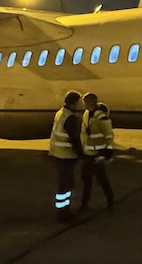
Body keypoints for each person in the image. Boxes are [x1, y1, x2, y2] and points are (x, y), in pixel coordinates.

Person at [47, 90, 86, 222]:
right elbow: (74, 139)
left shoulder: (60, 113)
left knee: (64, 184)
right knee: (66, 185)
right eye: (79, 102)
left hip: (57, 154)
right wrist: (82, 155)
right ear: (74, 103)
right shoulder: (70, 118)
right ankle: (64, 213)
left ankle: (63, 211)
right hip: (66, 156)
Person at [80, 91, 116, 211]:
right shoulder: (86, 114)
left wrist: (107, 153)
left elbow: (109, 135)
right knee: (86, 180)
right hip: (88, 153)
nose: (84, 104)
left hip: (98, 154)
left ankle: (110, 199)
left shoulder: (101, 117)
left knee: (101, 179)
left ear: (92, 102)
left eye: (86, 102)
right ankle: (84, 203)